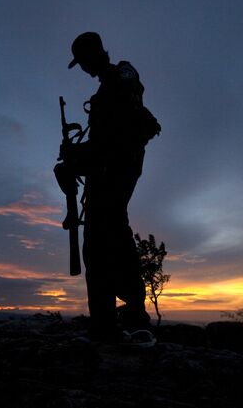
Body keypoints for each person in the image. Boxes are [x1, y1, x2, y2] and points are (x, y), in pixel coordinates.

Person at [59, 32, 160, 341]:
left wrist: (79, 155)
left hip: (116, 171)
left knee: (112, 236)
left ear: (97, 54)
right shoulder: (107, 88)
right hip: (106, 173)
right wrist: (77, 156)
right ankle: (104, 322)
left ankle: (133, 316)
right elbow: (106, 139)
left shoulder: (121, 77)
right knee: (97, 244)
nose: (86, 68)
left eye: (87, 60)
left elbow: (118, 135)